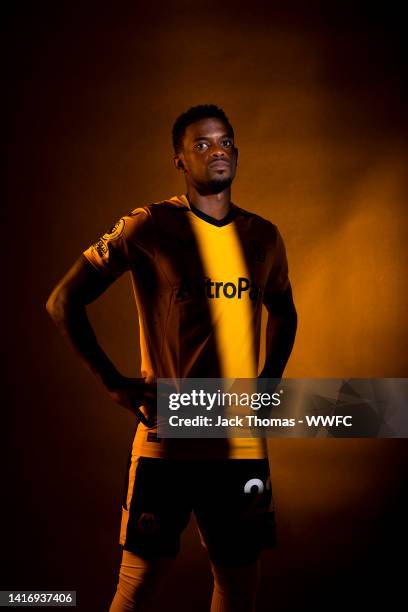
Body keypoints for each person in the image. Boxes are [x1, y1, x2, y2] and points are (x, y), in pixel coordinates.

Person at [46, 104, 297, 611]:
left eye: (224, 141)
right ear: (179, 161)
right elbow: (63, 301)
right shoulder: (150, 225)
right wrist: (112, 381)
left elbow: (284, 312)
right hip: (169, 438)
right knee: (138, 586)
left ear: (237, 151)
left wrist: (269, 380)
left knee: (238, 584)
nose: (216, 151)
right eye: (201, 145)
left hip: (238, 441)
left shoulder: (263, 234)